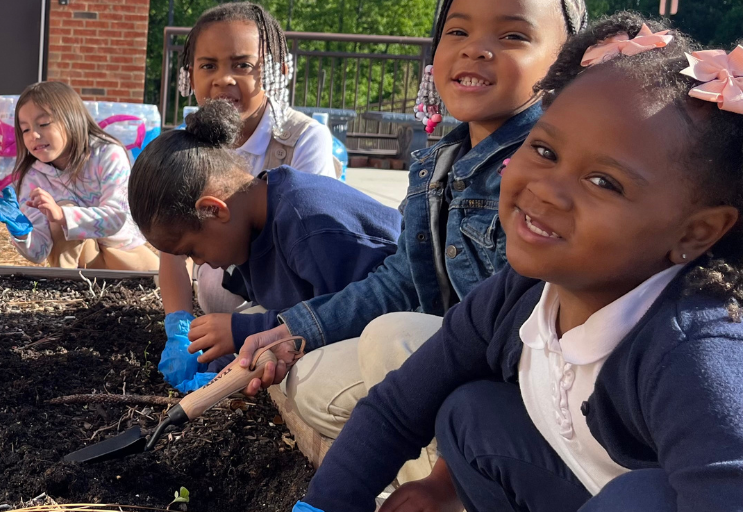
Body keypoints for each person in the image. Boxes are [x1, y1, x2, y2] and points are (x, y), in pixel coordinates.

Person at [294, 15, 743, 512]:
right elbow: (398, 406)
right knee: (471, 413)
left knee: (643, 497)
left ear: (694, 233)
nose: (547, 188)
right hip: (575, 487)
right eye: (546, 150)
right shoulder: (520, 296)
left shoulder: (691, 353)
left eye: (603, 182)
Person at [233, 0, 589, 484]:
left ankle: (458, 480)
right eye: (457, 32)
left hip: (516, 380)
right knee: (313, 385)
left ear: (566, 61)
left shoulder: (549, 172)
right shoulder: (439, 161)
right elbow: (399, 279)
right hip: (443, 349)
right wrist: (294, 328)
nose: (475, 51)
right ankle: (435, 462)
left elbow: (522, 325)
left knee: (392, 338)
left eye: (512, 37)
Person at [128, 101, 400, 393]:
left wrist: (245, 333)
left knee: (308, 383)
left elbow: (351, 315)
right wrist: (218, 363)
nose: (201, 263)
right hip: (344, 319)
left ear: (213, 210)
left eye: (193, 251)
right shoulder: (250, 223)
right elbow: (284, 308)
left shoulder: (308, 225)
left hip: (399, 330)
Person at [155, 1, 343, 374]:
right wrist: (178, 328)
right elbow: (172, 250)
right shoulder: (189, 146)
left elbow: (319, 254)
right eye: (208, 65)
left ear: (278, 72)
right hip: (233, 310)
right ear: (188, 75)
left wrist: (248, 331)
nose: (224, 79)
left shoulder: (302, 139)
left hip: (296, 303)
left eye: (242, 65)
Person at [0, 81, 158, 270]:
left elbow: (117, 217)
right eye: (25, 129)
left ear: (72, 118)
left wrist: (62, 215)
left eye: (43, 124)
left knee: (169, 280)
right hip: (77, 267)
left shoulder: (108, 154)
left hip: (122, 253)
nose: (33, 134)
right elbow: (38, 253)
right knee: (60, 211)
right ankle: (64, 287)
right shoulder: (33, 178)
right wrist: (21, 232)